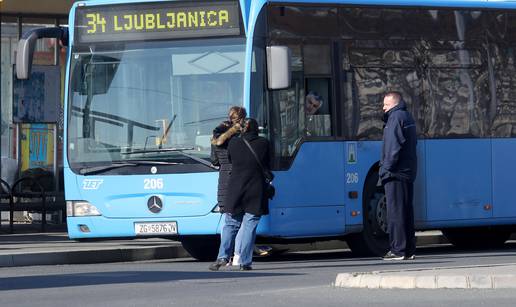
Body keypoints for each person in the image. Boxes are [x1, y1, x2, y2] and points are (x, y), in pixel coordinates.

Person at [209, 118, 271, 271]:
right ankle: (244, 261)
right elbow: (268, 163)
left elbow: (229, 159)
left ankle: (222, 257)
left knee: (230, 224)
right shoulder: (264, 143)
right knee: (250, 225)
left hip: (236, 189)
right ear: (257, 129)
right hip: (256, 189)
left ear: (242, 129)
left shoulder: (234, 143)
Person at [379, 91, 418, 261]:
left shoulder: (395, 118)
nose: (383, 108)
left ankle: (397, 250)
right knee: (406, 211)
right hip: (407, 172)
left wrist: (386, 169)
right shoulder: (407, 116)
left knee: (395, 212)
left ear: (394, 103)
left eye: (386, 105)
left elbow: (393, 146)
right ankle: (408, 250)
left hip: (395, 172)